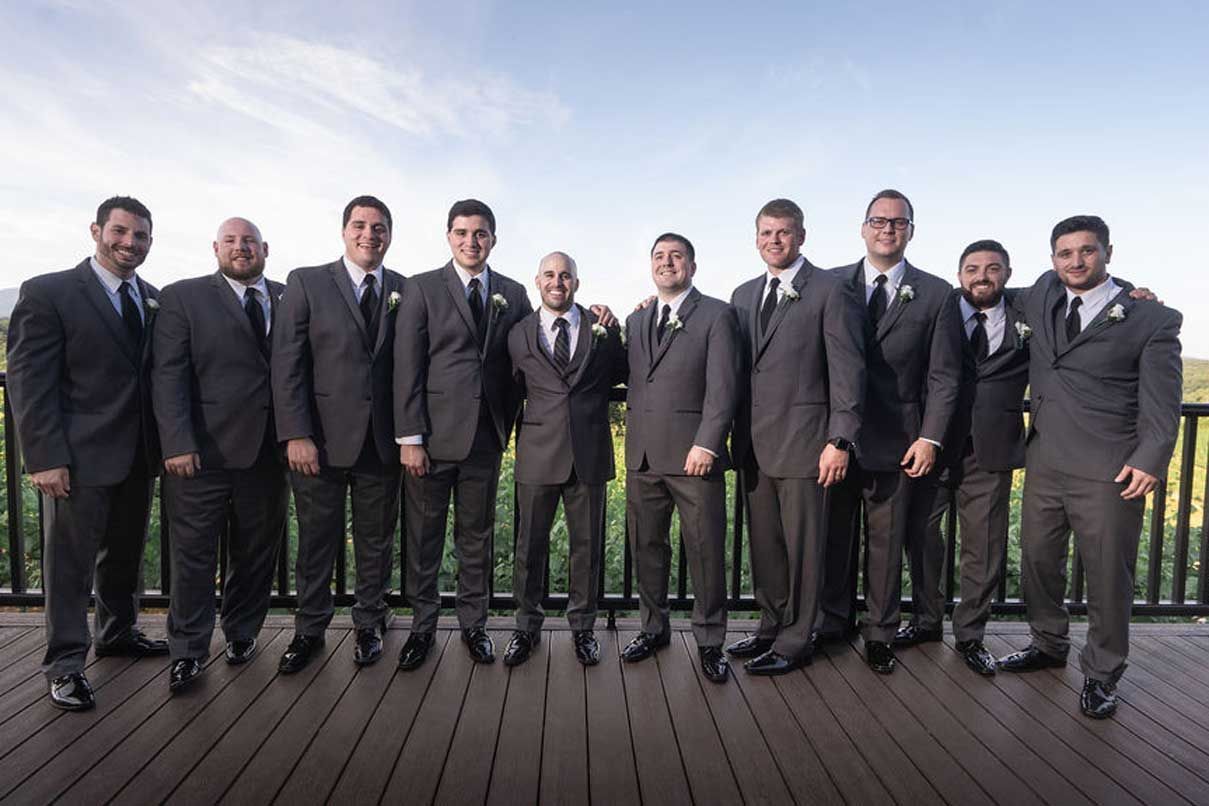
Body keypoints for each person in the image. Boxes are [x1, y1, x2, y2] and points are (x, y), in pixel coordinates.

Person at [998, 215, 1182, 719]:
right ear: (1052, 258)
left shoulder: (1151, 319)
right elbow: (988, 288)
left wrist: (1150, 459)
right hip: (1046, 461)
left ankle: (1102, 674)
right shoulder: (1039, 294)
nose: (1075, 261)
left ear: (1108, 253)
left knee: (1106, 575)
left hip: (1111, 469)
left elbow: (1163, 402)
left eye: (1087, 251)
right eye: (1064, 253)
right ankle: (1047, 643)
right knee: (1037, 559)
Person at [7, 196, 167, 711]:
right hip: (75, 458)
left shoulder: (152, 296)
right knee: (69, 567)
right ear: (96, 230)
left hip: (137, 457)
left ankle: (118, 633)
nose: (130, 243)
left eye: (140, 236)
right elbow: (30, 382)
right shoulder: (49, 292)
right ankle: (65, 665)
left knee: (124, 557)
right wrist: (45, 457)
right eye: (120, 232)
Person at [820, 189, 962, 674]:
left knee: (885, 544)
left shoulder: (938, 292)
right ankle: (833, 622)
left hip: (901, 440)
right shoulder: (830, 283)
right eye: (878, 221)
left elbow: (945, 375)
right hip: (835, 438)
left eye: (897, 223)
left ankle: (879, 633)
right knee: (835, 538)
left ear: (911, 232)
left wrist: (930, 437)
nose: (887, 229)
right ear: (863, 228)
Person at [726, 199, 865, 675]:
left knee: (806, 550)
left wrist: (840, 439)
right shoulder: (743, 295)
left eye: (784, 232)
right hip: (754, 445)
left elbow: (848, 370)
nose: (774, 240)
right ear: (756, 237)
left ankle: (796, 639)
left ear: (801, 236)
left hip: (809, 445)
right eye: (766, 232)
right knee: (766, 546)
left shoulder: (830, 289)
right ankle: (770, 625)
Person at [393, 199, 533, 668]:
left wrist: (595, 319)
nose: (471, 242)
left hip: (484, 438)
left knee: (476, 537)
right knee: (424, 538)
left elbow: (533, 350)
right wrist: (410, 438)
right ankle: (422, 628)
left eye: (480, 234)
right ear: (448, 237)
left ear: (493, 238)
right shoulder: (422, 287)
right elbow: (407, 365)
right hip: (430, 441)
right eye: (461, 233)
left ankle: (474, 626)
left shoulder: (513, 293)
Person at [152, 217, 289, 691]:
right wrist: (177, 442)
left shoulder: (288, 296)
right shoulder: (182, 296)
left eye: (249, 240)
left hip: (268, 453)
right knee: (193, 556)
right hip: (201, 454)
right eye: (231, 241)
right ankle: (188, 651)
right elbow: (167, 375)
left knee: (256, 552)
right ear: (215, 248)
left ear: (265, 248)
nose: (241, 248)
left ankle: (242, 633)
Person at [272, 196, 406, 673]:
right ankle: (310, 629)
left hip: (382, 442)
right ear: (344, 231)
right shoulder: (307, 282)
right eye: (360, 225)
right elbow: (287, 364)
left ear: (391, 233)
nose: (369, 234)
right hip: (319, 443)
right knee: (316, 540)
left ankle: (369, 621)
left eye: (379, 226)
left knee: (376, 540)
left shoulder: (405, 289)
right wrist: (295, 433)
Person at [621, 233, 740, 683]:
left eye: (676, 256)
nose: (666, 263)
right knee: (647, 548)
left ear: (692, 265)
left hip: (695, 457)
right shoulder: (638, 320)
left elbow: (724, 386)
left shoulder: (716, 314)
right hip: (644, 457)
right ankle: (654, 629)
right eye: (659, 256)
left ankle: (710, 641)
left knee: (705, 551)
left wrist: (708, 443)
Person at [906, 240, 1028, 675]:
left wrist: (1133, 290)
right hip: (934, 443)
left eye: (992, 268)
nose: (982, 276)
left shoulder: (1026, 313)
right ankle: (925, 620)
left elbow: (1081, 286)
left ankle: (971, 634)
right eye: (973, 268)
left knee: (984, 545)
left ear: (1007, 274)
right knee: (919, 533)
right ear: (959, 274)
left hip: (991, 449)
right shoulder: (938, 309)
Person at [503, 252, 627, 667]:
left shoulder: (602, 330)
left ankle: (583, 628)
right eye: (550, 275)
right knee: (529, 546)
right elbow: (511, 385)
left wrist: (626, 319)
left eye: (566, 276)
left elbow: (624, 372)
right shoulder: (518, 332)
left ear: (577, 282)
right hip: (537, 453)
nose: (558, 282)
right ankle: (526, 627)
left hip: (588, 454)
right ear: (537, 281)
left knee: (586, 548)